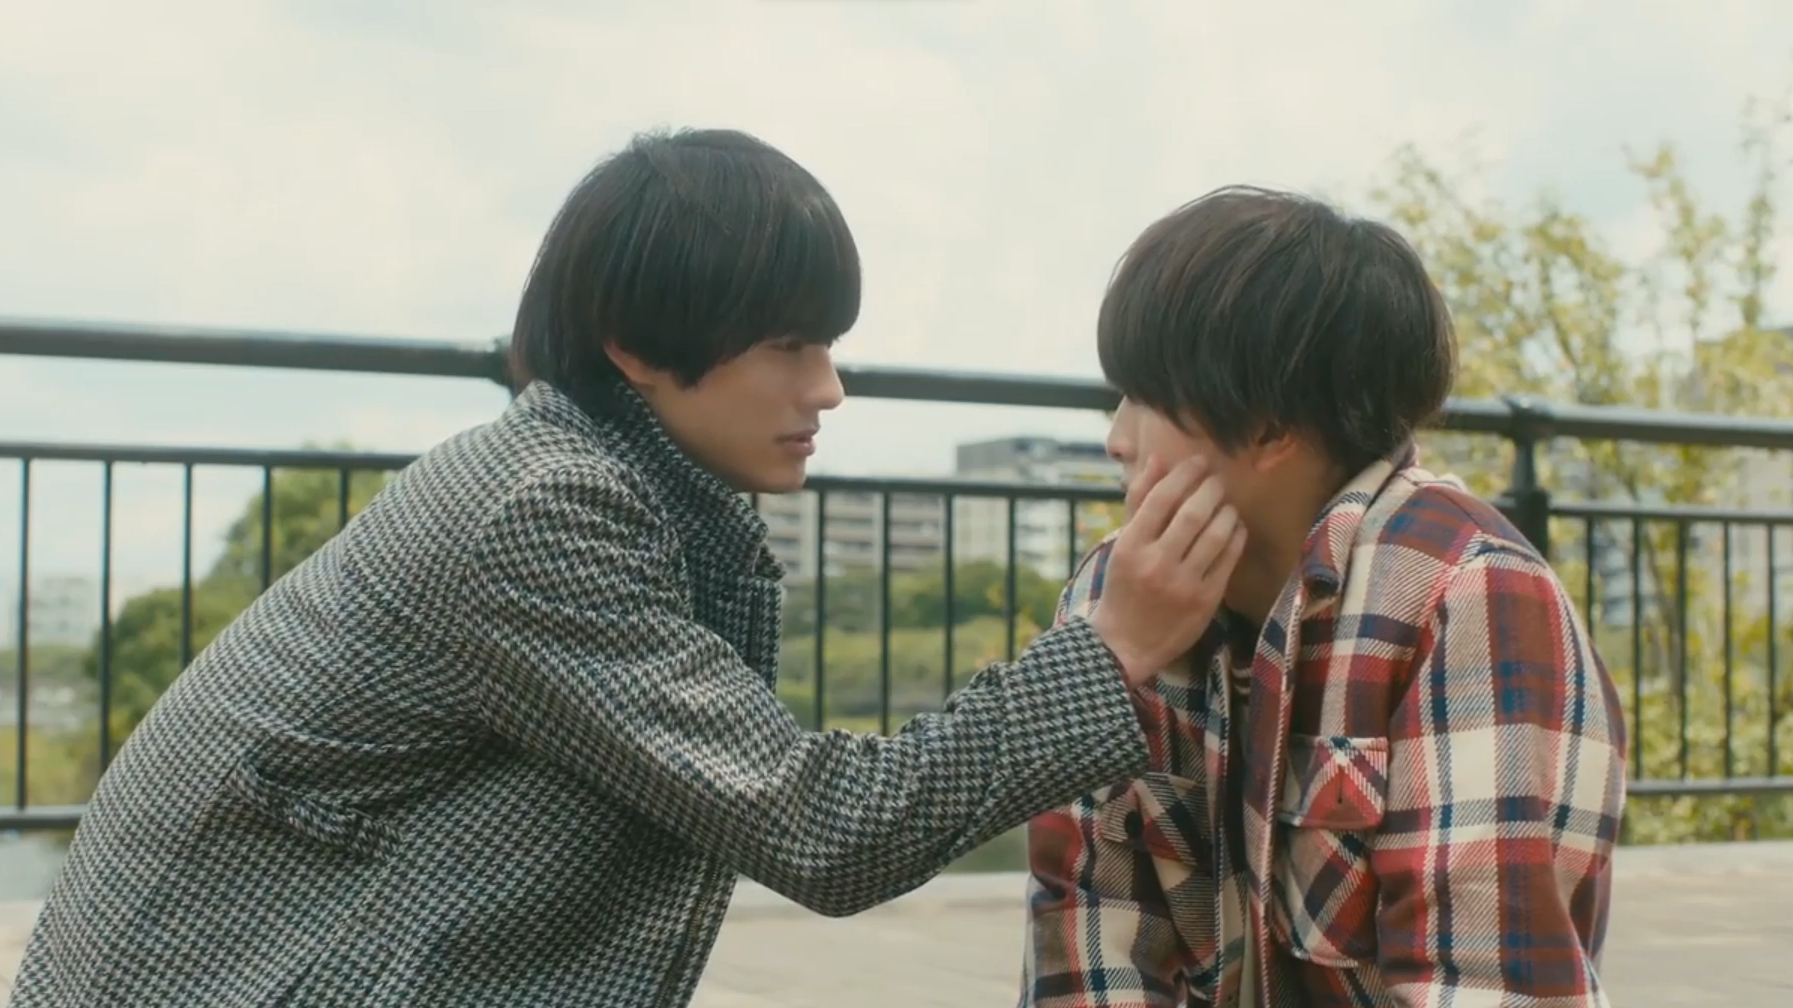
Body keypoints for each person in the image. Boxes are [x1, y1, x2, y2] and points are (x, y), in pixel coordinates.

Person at [8, 130, 1243, 1008]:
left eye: (829, 345)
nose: (827, 388)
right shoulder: (541, 513)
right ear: (634, 347)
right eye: (789, 345)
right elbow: (824, 832)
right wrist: (1108, 649)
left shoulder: (583, 477)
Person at [1019, 186, 1627, 1008]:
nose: (1114, 438)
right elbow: (1088, 941)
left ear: (1269, 427)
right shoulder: (1114, 597)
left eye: (1145, 398)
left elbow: (1481, 986)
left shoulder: (1469, 598)